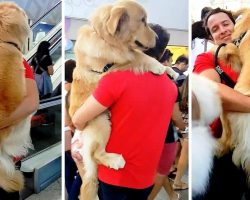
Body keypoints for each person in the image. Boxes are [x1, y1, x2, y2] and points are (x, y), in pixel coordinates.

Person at [71, 29, 178, 200]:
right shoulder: (171, 87)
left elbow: (77, 119)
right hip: (146, 174)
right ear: (163, 53)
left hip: (115, 174)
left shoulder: (116, 78)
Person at [193, 7, 250, 200]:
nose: (222, 30)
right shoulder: (209, 58)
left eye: (226, 24)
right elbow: (209, 88)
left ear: (236, 25)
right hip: (223, 147)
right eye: (215, 29)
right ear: (211, 38)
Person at [143, 24, 185, 200]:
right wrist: (183, 126)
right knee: (161, 172)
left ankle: (171, 195)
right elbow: (176, 118)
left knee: (154, 170)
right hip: (165, 135)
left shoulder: (125, 74)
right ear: (162, 53)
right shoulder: (168, 82)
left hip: (140, 135)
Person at [64, 59, 82, 200]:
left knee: (69, 173)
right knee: (81, 175)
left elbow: (67, 121)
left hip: (68, 139)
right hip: (78, 139)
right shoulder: (79, 91)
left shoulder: (67, 92)